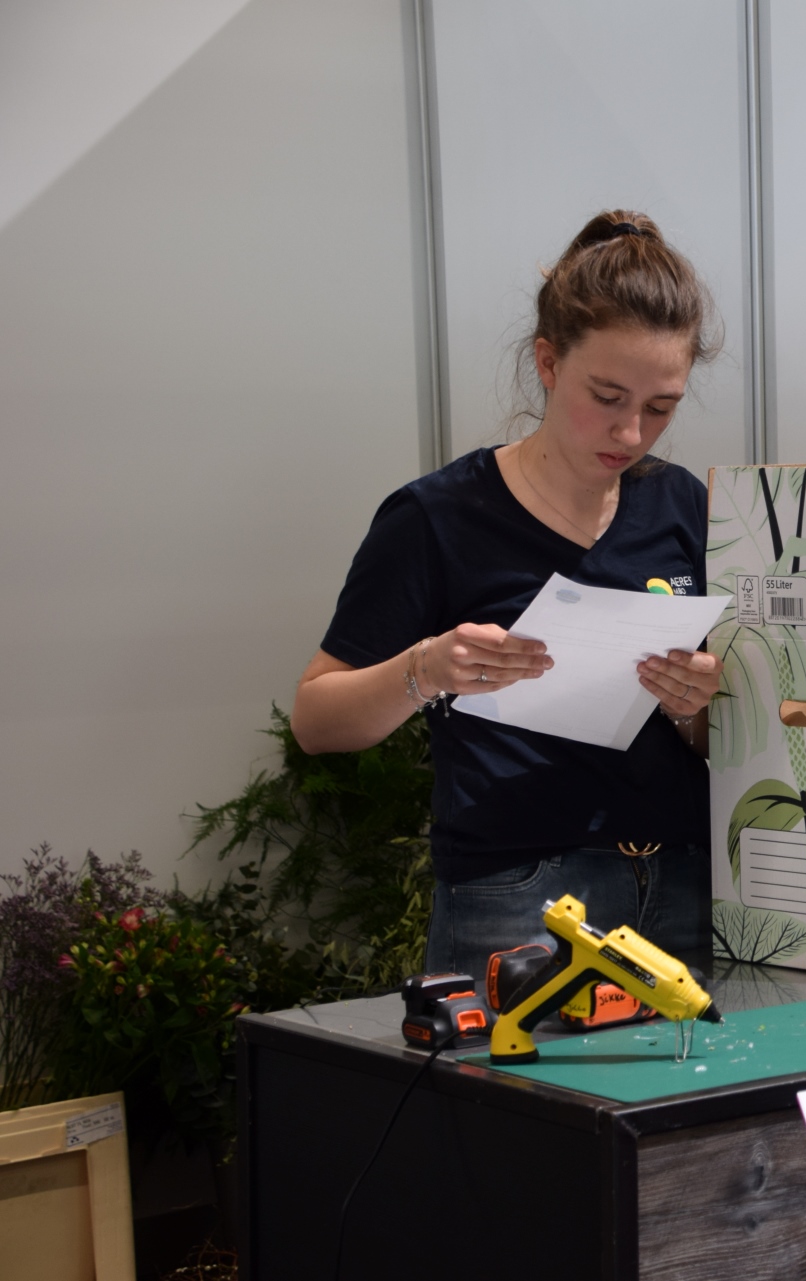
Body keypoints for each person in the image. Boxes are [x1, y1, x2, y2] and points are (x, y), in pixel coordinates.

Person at [290, 211, 721, 985]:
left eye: (661, 407)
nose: (631, 432)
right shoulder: (437, 518)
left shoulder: (682, 504)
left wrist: (693, 706)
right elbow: (317, 721)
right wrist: (426, 668)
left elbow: (719, 740)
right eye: (608, 396)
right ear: (548, 362)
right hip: (518, 897)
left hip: (683, 885)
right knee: (512, 1071)